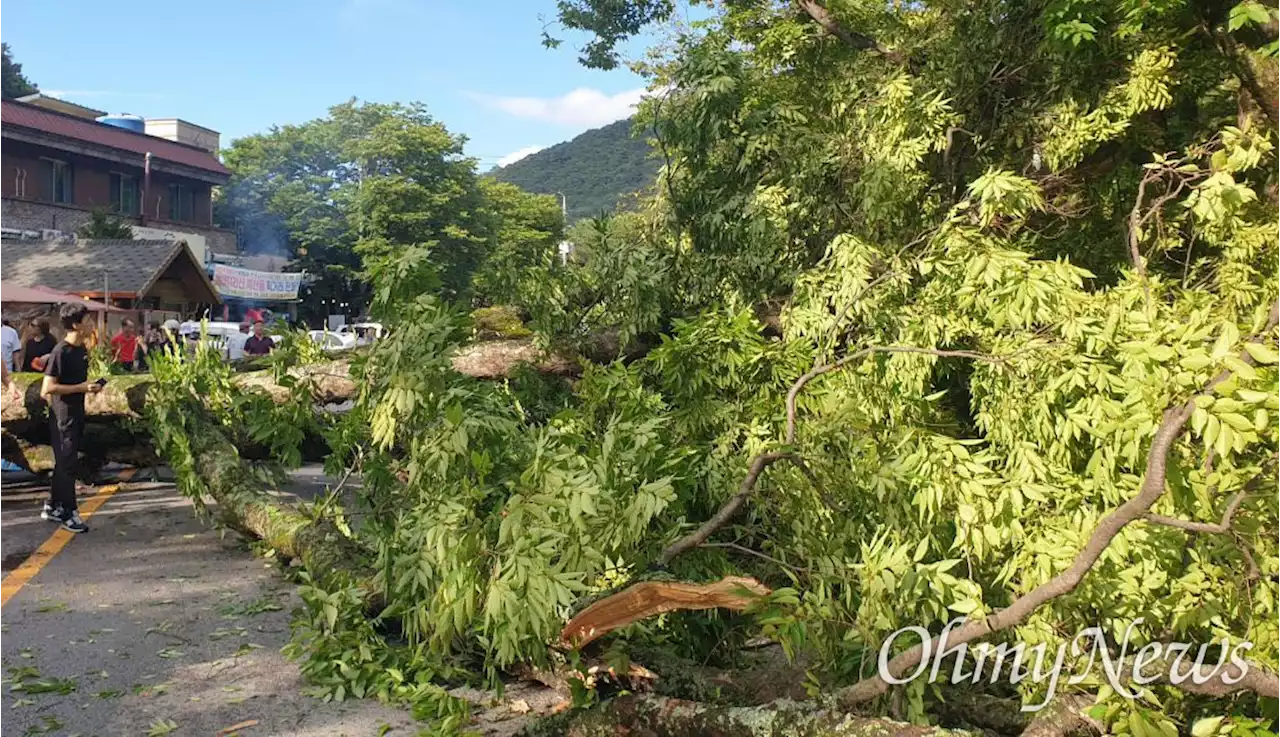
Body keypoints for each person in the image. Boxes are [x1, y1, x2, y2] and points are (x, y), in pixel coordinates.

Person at [40, 303, 102, 534]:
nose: (91, 324)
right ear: (75, 324)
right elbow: (48, 388)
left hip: (77, 413)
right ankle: (69, 513)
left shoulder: (81, 349)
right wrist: (80, 388)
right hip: (63, 416)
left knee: (64, 463)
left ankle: (53, 505)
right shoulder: (60, 351)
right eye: (88, 320)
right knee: (67, 465)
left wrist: (89, 389)